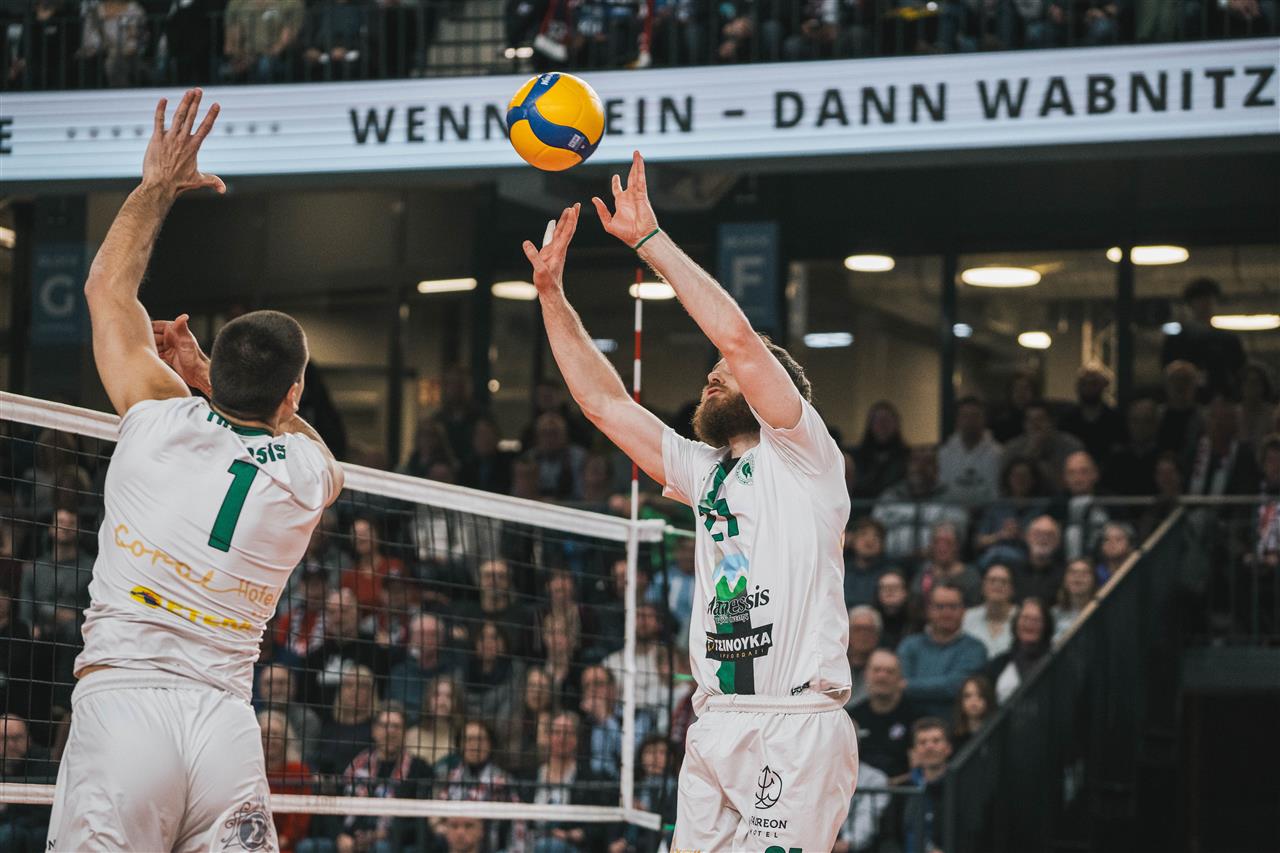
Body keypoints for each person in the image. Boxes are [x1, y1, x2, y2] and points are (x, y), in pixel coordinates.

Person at [521, 153, 857, 851]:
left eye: (727, 372)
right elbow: (604, 403)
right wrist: (552, 296)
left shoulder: (804, 454)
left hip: (794, 723)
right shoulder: (705, 472)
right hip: (716, 722)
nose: (713, 374)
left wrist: (649, 241)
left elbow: (736, 337)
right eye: (711, 372)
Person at [46, 91, 344, 853]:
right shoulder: (307, 474)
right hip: (223, 727)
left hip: (124, 709)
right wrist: (209, 374)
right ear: (293, 393)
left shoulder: (157, 418)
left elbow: (107, 290)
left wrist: (157, 185)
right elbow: (304, 441)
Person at [897, 582, 988, 720]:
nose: (946, 613)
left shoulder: (975, 649)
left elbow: (955, 686)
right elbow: (897, 686)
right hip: (909, 722)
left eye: (953, 607)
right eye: (940, 607)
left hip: (955, 725)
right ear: (929, 610)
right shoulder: (909, 645)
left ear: (963, 611)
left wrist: (910, 687)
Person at [1161, 278, 1247, 401]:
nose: (1205, 305)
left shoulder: (1228, 340)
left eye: (1209, 300)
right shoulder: (1176, 340)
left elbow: (1239, 372)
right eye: (1200, 300)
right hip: (1187, 400)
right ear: (1191, 304)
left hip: (1220, 399)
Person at [848, 649, 919, 781]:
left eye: (889, 671)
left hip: (901, 790)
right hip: (857, 789)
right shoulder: (851, 717)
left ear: (901, 678)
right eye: (876, 670)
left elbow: (920, 767)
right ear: (866, 675)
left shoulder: (915, 717)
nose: (882, 676)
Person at [1001, 401, 1085, 493]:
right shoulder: (1012, 448)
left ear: (1052, 422)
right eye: (1030, 420)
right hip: (1023, 500)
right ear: (1024, 424)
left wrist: (1042, 464)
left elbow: (1071, 485)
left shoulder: (1071, 446)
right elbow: (1004, 487)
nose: (1035, 425)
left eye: (1040, 419)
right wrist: (1030, 454)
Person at [984, 597, 1055, 704]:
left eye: (1036, 620)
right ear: (1016, 623)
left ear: (1046, 626)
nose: (1029, 624)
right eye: (1025, 618)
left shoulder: (1056, 664)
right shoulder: (998, 664)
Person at [937, 395, 1003, 506]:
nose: (970, 421)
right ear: (957, 420)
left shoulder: (998, 454)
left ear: (984, 420)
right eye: (965, 416)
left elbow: (996, 492)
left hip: (987, 512)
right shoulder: (944, 454)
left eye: (975, 416)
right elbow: (942, 490)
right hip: (951, 512)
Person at [1058, 364, 1126, 465]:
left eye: (1094, 383)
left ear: (1103, 386)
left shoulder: (1115, 419)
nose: (1089, 388)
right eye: (1084, 383)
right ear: (1078, 387)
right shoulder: (1067, 419)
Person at [902, 718, 951, 853]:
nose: (929, 747)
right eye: (922, 742)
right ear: (914, 751)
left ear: (948, 748)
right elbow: (890, 836)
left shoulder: (959, 788)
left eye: (936, 741)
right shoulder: (904, 788)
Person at [851, 400, 910, 500]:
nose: (883, 426)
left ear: (896, 424)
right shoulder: (857, 458)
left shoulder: (907, 457)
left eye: (887, 421)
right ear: (870, 425)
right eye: (878, 421)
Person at [962, 563, 1015, 658]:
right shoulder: (966, 617)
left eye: (1004, 582)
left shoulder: (1021, 619)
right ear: (983, 587)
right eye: (992, 580)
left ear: (1011, 589)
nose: (998, 585)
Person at [844, 517, 893, 608]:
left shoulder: (889, 574)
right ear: (852, 540)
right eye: (863, 534)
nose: (870, 540)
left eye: (877, 536)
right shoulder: (841, 570)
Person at [1052, 558, 1098, 642]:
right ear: (1065, 580)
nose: (1078, 576)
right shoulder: (1053, 615)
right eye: (1073, 572)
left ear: (1093, 580)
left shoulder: (1101, 614)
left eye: (1085, 573)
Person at [846, 605, 882, 709]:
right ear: (848, 633)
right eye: (858, 629)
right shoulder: (834, 664)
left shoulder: (883, 668)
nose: (863, 635)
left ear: (877, 634)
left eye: (868, 630)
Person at [950, 674, 996, 753]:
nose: (973, 701)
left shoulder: (998, 733)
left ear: (988, 699)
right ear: (961, 701)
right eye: (967, 696)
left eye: (980, 695)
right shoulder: (953, 736)